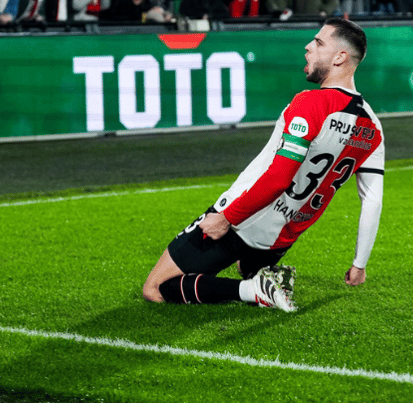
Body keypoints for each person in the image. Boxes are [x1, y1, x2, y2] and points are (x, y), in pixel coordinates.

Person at [143, 18, 384, 311]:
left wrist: (225, 218)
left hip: (243, 219)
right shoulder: (373, 127)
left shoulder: (311, 104)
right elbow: (372, 200)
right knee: (242, 267)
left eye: (319, 43)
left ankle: (254, 289)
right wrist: (359, 264)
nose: (308, 47)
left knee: (156, 288)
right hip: (280, 239)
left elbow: (278, 179)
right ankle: (260, 275)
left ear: (340, 57)